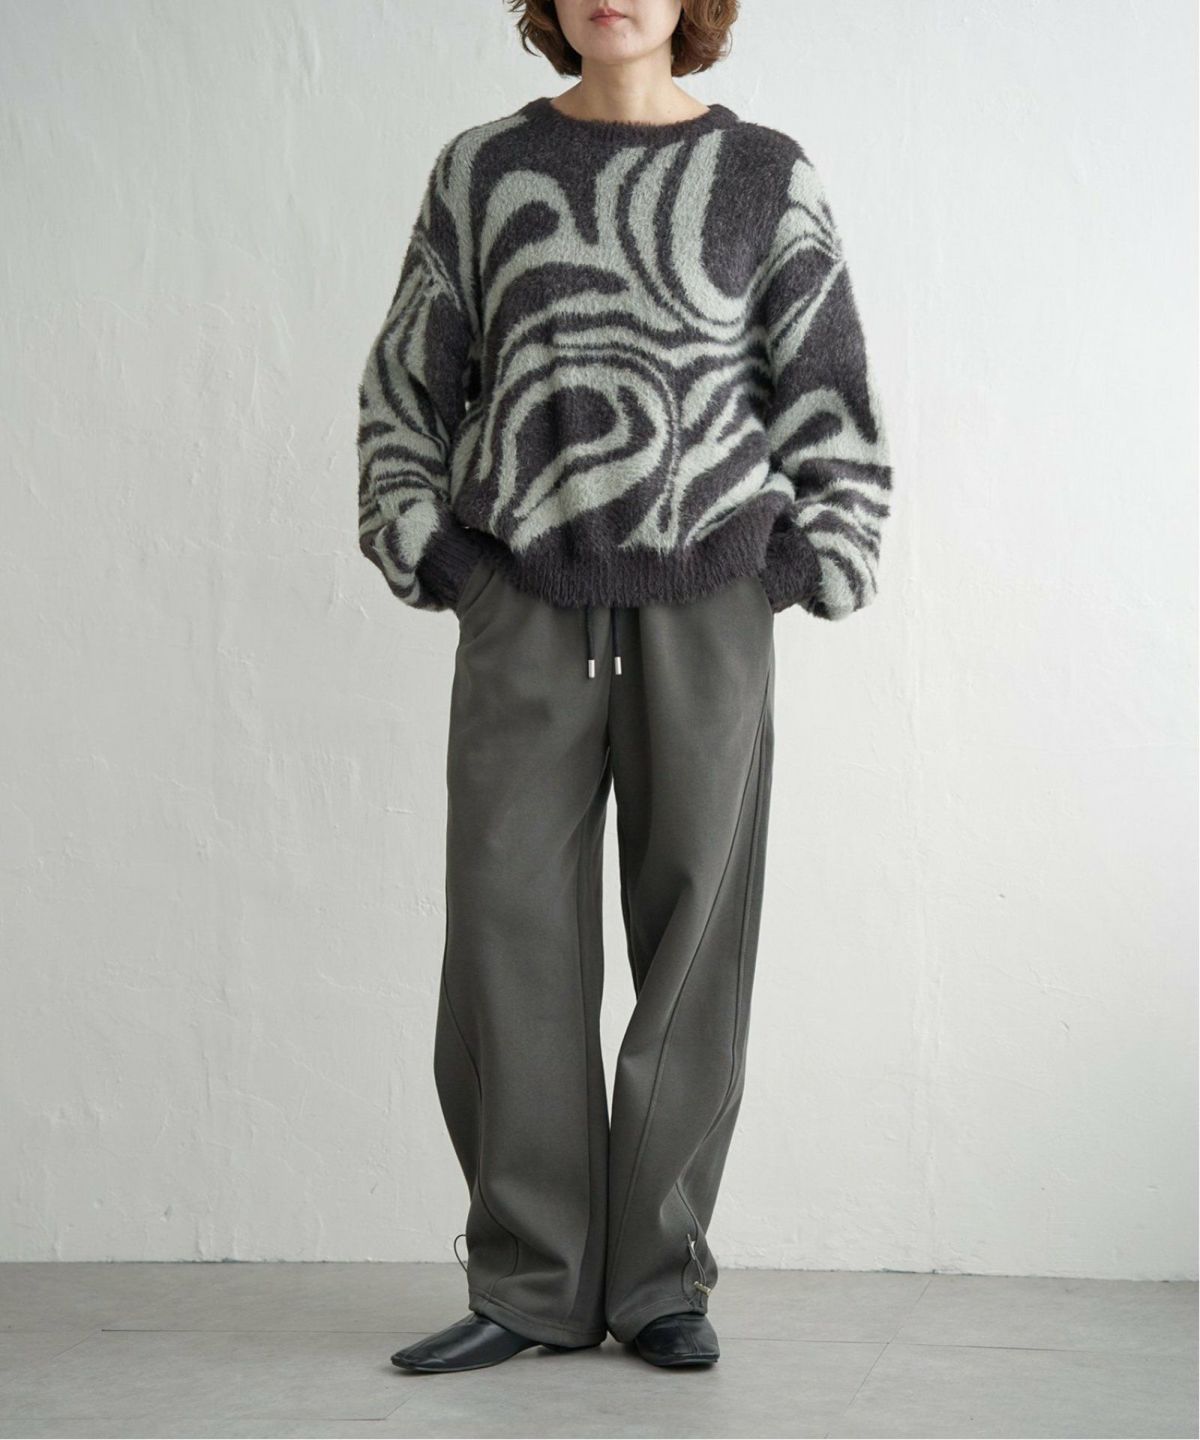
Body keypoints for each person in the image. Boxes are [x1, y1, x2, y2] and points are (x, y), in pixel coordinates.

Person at [356, 0, 892, 1372]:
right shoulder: (483, 170)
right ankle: (530, 1284)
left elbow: (825, 386)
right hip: (523, 597)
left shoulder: (763, 174)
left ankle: (660, 1284)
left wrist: (803, 563)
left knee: (695, 937)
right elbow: (410, 381)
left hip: (708, 600)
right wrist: (433, 549)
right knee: (506, 937)